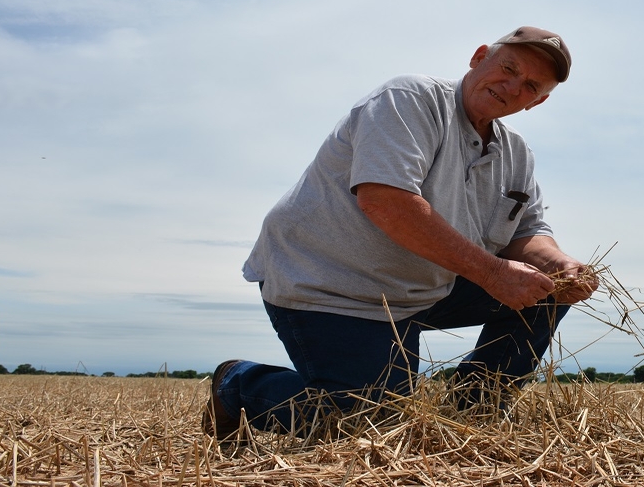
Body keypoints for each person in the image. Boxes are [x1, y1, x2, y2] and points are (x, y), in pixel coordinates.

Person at [204, 25, 598, 438]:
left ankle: (476, 408)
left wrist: (561, 264)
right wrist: (494, 274)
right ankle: (238, 385)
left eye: (530, 84)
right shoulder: (410, 99)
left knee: (549, 288)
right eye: (508, 67)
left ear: (538, 101)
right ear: (479, 56)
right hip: (331, 283)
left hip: (423, 287)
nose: (512, 85)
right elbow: (385, 201)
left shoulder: (515, 152)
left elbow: (528, 231)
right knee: (371, 423)